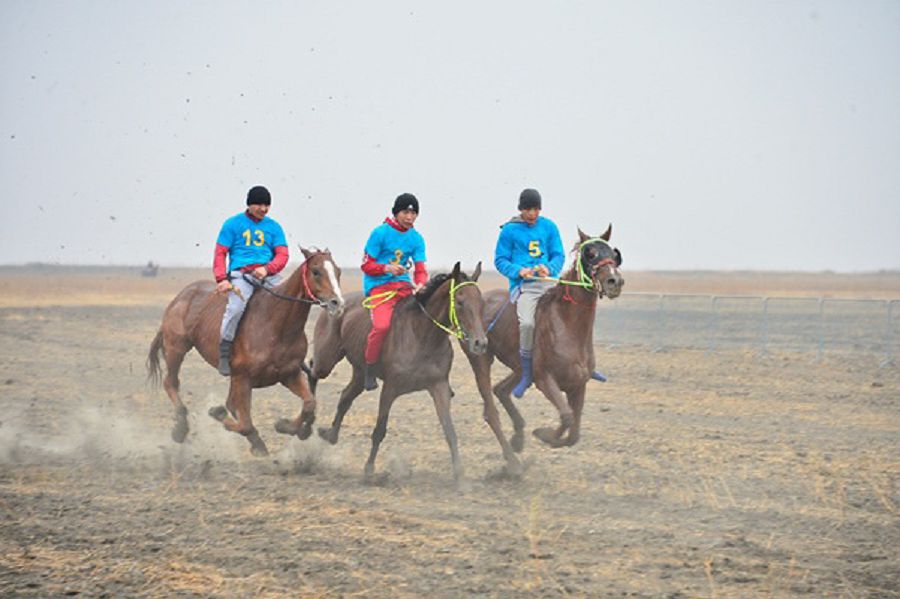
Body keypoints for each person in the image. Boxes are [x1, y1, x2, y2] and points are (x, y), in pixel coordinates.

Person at [213, 185, 288, 376]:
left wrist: (267, 269)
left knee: (289, 302)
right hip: (242, 276)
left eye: (267, 205)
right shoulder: (232, 224)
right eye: (259, 204)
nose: (263, 209)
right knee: (236, 307)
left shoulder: (274, 227)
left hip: (268, 275)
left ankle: (291, 350)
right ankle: (225, 350)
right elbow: (220, 253)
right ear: (249, 204)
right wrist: (221, 278)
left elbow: (282, 254)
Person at [360, 193, 428, 390]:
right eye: (406, 212)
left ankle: (431, 370)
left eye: (414, 213)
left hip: (404, 287)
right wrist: (387, 269)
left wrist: (421, 284)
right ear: (396, 213)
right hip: (380, 288)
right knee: (381, 326)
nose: (410, 217)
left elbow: (421, 269)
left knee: (427, 318)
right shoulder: (380, 233)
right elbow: (366, 265)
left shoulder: (416, 238)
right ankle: (370, 369)